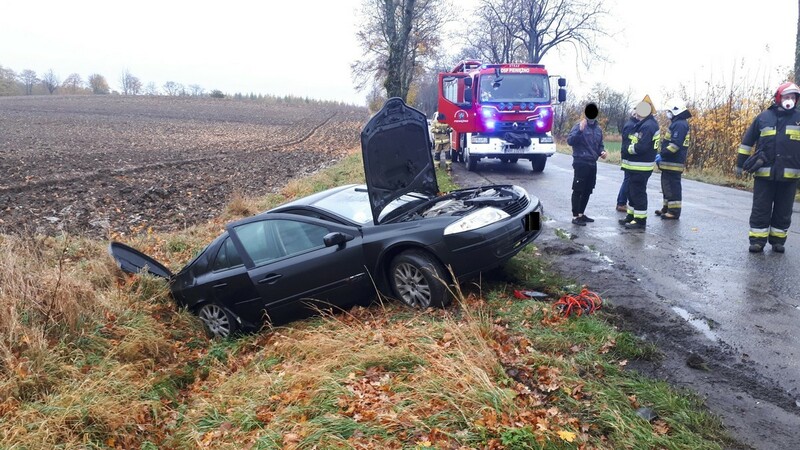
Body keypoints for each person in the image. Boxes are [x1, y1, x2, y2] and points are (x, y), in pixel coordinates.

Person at [736, 81, 800, 253]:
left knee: (784, 211)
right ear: (779, 98)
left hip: (789, 177)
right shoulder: (764, 117)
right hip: (764, 173)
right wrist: (740, 164)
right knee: (760, 208)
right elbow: (747, 142)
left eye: (793, 97)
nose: (790, 100)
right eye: (787, 96)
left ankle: (778, 241)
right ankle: (757, 241)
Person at [619, 95, 660, 230]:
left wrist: (627, 149)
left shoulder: (648, 126)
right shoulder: (645, 124)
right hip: (636, 166)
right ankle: (631, 216)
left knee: (638, 193)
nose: (635, 113)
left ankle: (640, 220)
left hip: (641, 166)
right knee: (632, 192)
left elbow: (642, 146)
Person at [567, 102, 607, 225]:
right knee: (578, 189)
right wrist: (580, 130)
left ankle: (581, 213)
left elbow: (600, 145)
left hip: (592, 163)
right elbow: (570, 141)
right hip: (581, 162)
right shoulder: (579, 126)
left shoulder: (598, 129)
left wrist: (602, 152)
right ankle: (575, 217)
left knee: (588, 189)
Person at [655, 98, 692, 220]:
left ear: (675, 111)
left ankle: (674, 211)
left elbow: (675, 146)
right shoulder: (677, 123)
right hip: (669, 163)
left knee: (673, 188)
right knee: (667, 187)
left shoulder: (680, 124)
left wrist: (662, 154)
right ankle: (666, 208)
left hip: (673, 163)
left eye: (669, 111)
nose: (667, 113)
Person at [616, 109, 639, 212]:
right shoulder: (631, 125)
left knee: (628, 179)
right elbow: (630, 141)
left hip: (627, 155)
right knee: (628, 180)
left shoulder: (633, 124)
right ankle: (621, 203)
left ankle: (621, 202)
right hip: (628, 156)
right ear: (634, 114)